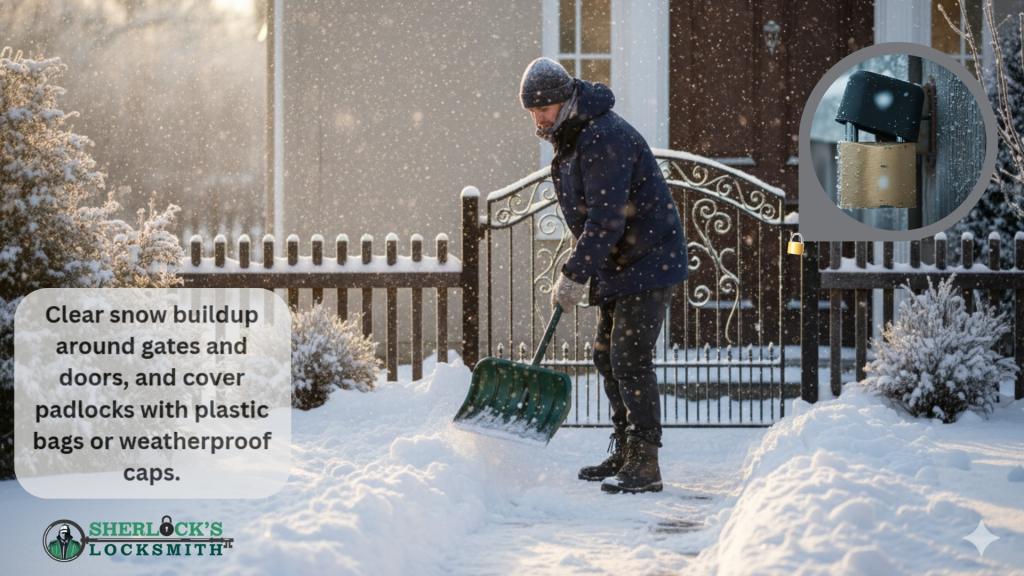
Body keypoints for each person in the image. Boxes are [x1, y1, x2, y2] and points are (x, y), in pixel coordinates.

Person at [519, 57, 688, 494]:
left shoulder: (602, 136)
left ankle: (645, 460)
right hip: (622, 262)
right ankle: (624, 447)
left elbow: (606, 219)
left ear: (568, 99)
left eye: (546, 107)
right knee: (605, 355)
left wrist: (574, 273)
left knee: (629, 357)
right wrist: (585, 264)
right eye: (533, 110)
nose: (539, 117)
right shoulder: (574, 136)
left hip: (649, 259)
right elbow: (593, 217)